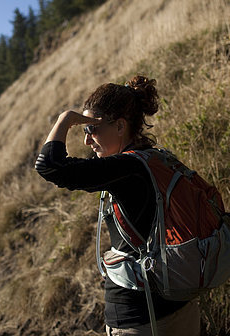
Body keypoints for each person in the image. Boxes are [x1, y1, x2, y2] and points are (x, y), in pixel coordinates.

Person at [35, 75, 201, 335]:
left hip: (141, 318)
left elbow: (49, 165)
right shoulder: (157, 159)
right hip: (182, 307)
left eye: (92, 129)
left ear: (121, 126)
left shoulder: (126, 168)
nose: (88, 141)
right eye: (84, 131)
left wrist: (65, 119)